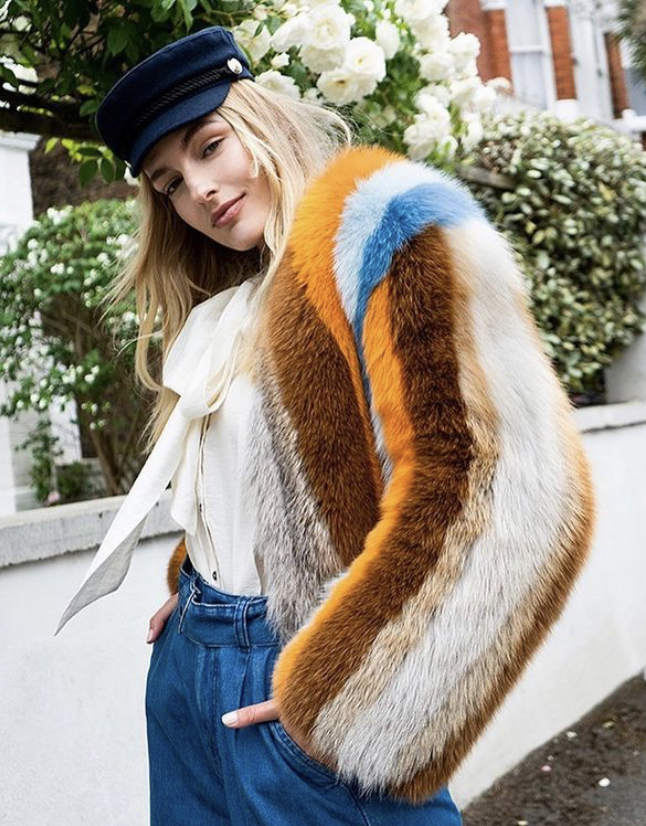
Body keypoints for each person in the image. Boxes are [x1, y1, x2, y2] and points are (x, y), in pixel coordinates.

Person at [54, 24, 597, 826]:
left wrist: (352, 689)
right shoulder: (227, 310)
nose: (198, 190)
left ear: (260, 120)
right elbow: (273, 481)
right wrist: (206, 588)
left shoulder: (390, 231)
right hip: (186, 685)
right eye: (169, 182)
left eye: (210, 146)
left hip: (309, 681)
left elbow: (512, 489)